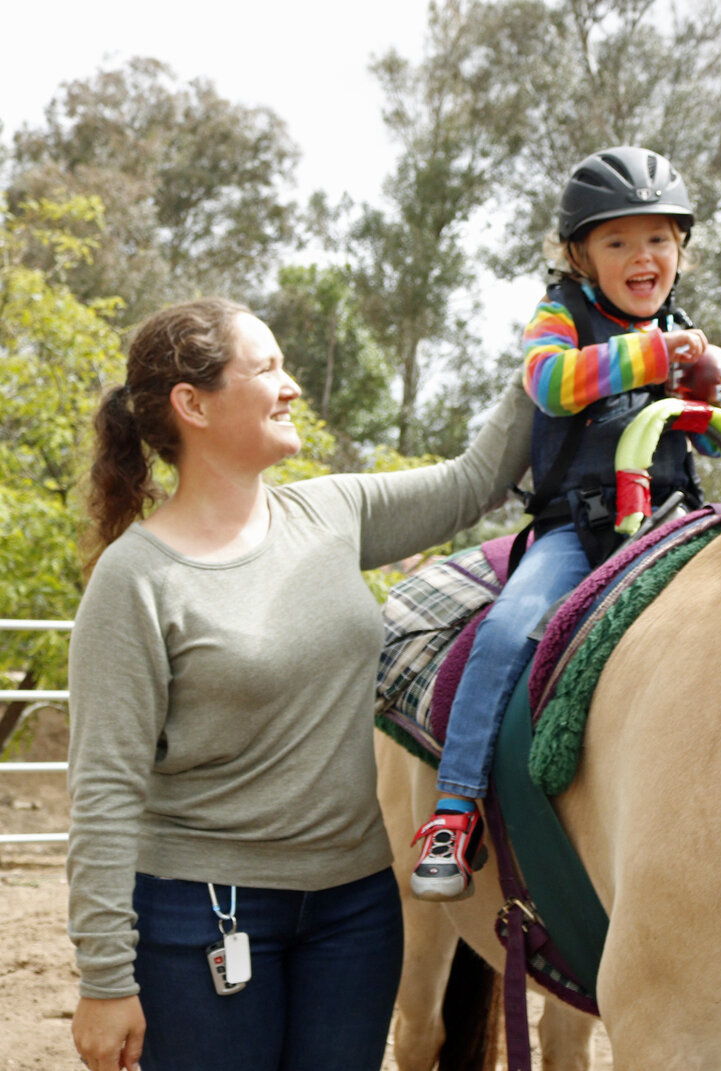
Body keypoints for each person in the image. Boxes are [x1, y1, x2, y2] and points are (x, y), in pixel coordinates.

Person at [67, 297, 534, 1071]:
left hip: (356, 910)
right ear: (193, 403)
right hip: (201, 917)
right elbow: (104, 788)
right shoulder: (137, 579)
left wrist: (557, 342)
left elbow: (476, 480)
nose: (291, 388)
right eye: (268, 368)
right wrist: (104, 978)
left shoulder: (331, 511)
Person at [410, 145, 721, 901]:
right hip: (581, 529)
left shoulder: (686, 334)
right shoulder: (561, 315)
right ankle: (453, 809)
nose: (642, 257)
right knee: (509, 628)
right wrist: (650, 356)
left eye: (659, 240)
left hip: (676, 521)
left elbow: (711, 425)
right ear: (580, 254)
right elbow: (549, 383)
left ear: (681, 251)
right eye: (617, 241)